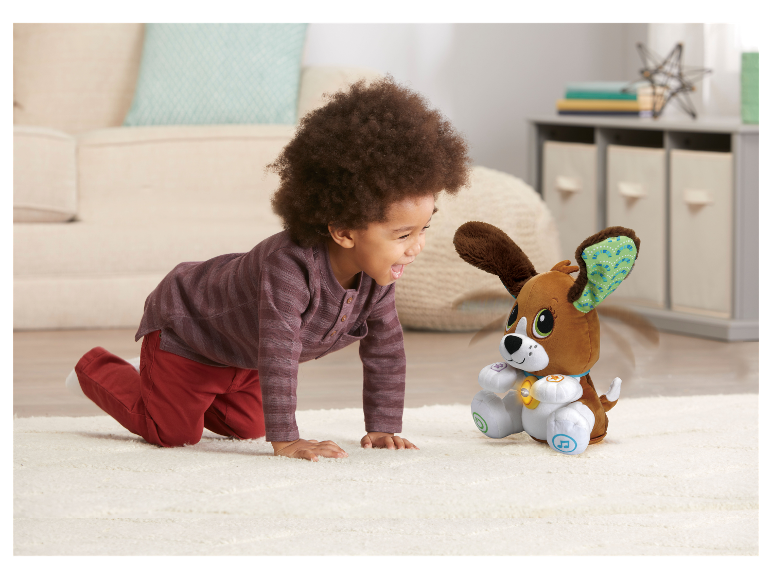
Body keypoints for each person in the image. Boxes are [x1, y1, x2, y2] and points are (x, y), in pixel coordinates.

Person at [67, 77, 472, 461]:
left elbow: (386, 351)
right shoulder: (288, 268)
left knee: (249, 426)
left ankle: (175, 387)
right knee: (172, 433)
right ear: (344, 232)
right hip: (188, 337)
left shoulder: (377, 277)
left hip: (242, 357)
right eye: (403, 235)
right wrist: (286, 439)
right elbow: (279, 353)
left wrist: (383, 427)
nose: (417, 247)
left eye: (424, 229)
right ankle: (101, 368)